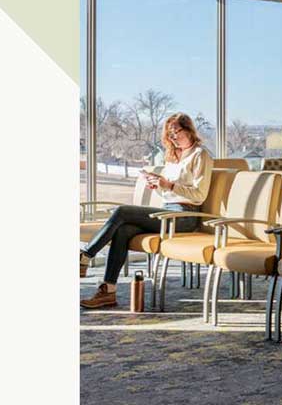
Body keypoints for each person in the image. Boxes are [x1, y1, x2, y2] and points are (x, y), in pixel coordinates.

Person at [79, 113, 213, 308]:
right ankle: (108, 290)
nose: (174, 137)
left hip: (186, 216)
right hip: (168, 209)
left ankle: (85, 256)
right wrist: (157, 184)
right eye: (170, 134)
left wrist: (168, 185)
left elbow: (199, 195)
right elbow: (168, 191)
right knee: (123, 231)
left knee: (122, 212)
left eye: (177, 132)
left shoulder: (200, 155)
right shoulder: (173, 156)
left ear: (189, 130)